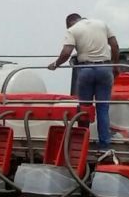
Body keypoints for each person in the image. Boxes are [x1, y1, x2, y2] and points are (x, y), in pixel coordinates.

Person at [48, 13, 120, 151]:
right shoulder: (102, 24)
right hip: (105, 69)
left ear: (69, 23)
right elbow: (115, 46)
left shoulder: (73, 30)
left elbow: (66, 52)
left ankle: (81, 144)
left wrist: (55, 64)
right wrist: (115, 66)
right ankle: (104, 145)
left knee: (84, 109)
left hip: (85, 69)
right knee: (103, 109)